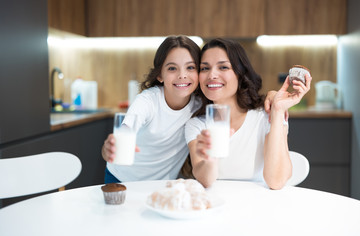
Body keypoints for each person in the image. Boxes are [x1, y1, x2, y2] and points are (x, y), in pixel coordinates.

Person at [185, 38, 311, 189]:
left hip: (258, 206)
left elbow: (276, 181)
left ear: (240, 73)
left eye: (223, 67)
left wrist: (278, 111)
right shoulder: (197, 125)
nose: (212, 75)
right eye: (205, 68)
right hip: (215, 204)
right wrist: (211, 157)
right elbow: (205, 180)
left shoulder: (265, 116)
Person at [101, 35, 201, 183]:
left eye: (190, 67)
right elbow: (128, 127)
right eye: (172, 68)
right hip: (121, 179)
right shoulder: (148, 100)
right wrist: (111, 147)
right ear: (160, 75)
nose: (182, 75)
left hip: (162, 183)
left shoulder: (199, 104)